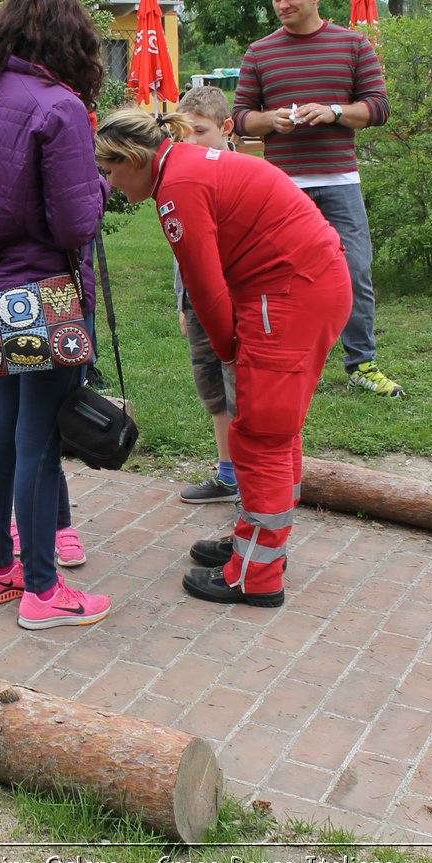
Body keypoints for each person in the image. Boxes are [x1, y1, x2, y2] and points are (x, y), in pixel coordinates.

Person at [94, 108, 351, 608]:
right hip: (305, 285)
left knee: (260, 434)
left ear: (133, 158)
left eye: (110, 169)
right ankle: (257, 543)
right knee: (273, 430)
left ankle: (256, 575)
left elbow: (206, 290)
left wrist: (231, 353)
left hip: (288, 295)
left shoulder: (178, 189)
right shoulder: (185, 166)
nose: (110, 183)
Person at [0, 0, 111, 630]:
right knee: (41, 445)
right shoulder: (60, 107)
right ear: (67, 39)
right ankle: (44, 592)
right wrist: (100, 186)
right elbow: (76, 223)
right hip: (45, 294)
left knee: (4, 433)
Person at [231, 0, 402, 397]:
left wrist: (335, 112)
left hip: (340, 181)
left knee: (354, 271)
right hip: (283, 187)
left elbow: (379, 108)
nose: (283, 5)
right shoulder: (259, 52)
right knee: (279, 278)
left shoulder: (353, 45)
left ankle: (362, 365)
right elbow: (239, 119)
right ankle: (284, 360)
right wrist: (271, 121)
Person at [172, 85, 238, 505]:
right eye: (183, 133)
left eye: (200, 131)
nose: (190, 141)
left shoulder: (238, 176)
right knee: (213, 390)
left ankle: (254, 479)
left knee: (243, 392)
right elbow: (182, 249)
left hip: (236, 303)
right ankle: (228, 474)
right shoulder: (184, 177)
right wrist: (182, 301)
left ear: (226, 128)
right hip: (197, 303)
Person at [0, 380, 85, 567]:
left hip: (40, 370)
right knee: (5, 452)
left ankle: (60, 525)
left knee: (41, 457)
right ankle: (8, 533)